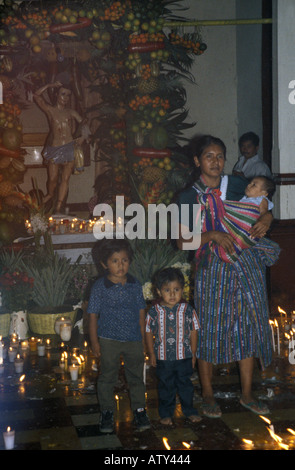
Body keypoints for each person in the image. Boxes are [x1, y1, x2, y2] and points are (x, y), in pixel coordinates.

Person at [177, 134, 280, 418]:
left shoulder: (236, 185)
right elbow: (182, 241)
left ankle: (247, 393)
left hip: (247, 266)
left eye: (220, 156)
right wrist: (210, 234)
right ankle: (208, 394)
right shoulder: (188, 197)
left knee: (247, 324)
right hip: (212, 269)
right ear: (197, 160)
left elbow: (262, 204)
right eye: (209, 156)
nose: (216, 161)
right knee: (209, 328)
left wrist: (267, 217)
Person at [87, 238, 151, 433]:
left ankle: (139, 409)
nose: (120, 265)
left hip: (133, 339)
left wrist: (142, 340)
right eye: (115, 261)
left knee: (136, 377)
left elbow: (141, 312)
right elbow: (92, 316)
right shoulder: (100, 287)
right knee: (107, 376)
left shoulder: (134, 284)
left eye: (124, 260)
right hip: (108, 340)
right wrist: (95, 342)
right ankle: (107, 411)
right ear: (105, 264)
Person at [145, 267, 201, 426]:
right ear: (158, 291)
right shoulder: (154, 311)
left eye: (176, 290)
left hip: (184, 356)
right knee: (166, 386)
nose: (172, 294)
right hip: (163, 358)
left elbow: (194, 330)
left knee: (186, 385)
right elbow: (148, 331)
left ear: (182, 290)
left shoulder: (188, 310)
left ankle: (189, 411)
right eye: (167, 290)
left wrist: (194, 352)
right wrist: (151, 352)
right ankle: (166, 414)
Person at [34, 80, 87, 214]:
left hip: (69, 148)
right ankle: (50, 194)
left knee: (65, 179)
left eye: (68, 95)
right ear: (57, 95)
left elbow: (85, 123)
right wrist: (50, 85)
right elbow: (36, 96)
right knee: (52, 179)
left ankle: (58, 207)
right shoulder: (50, 110)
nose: (66, 98)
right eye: (63, 94)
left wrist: (84, 137)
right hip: (55, 149)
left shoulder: (71, 112)